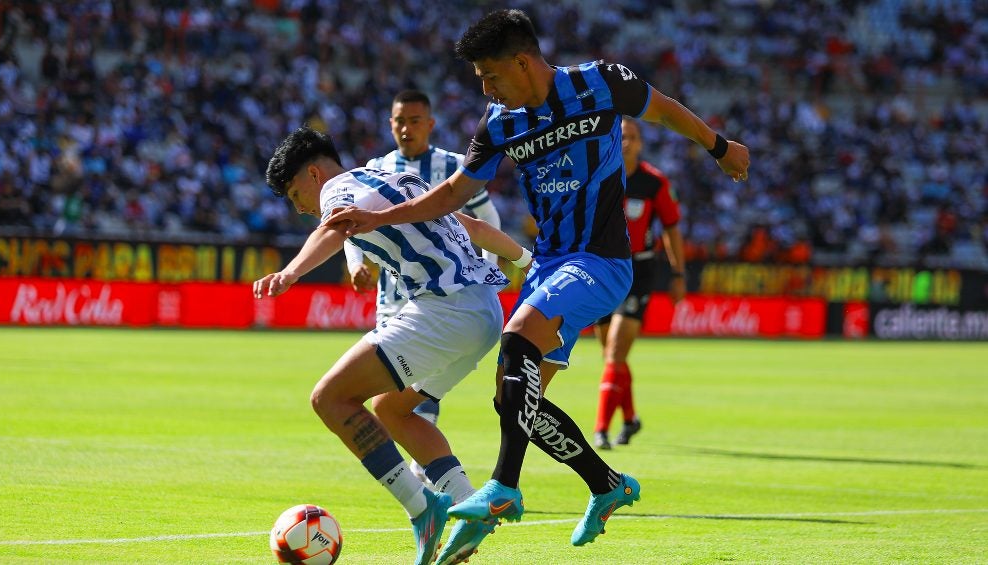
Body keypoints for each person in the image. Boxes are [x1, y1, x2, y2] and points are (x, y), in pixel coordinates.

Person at [325, 9, 750, 563]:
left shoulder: (599, 82)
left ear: (523, 62)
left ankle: (502, 489)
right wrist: (382, 219)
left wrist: (719, 147)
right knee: (515, 400)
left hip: (600, 259)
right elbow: (454, 192)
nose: (484, 87)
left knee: (519, 337)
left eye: (489, 74)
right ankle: (606, 484)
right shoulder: (500, 121)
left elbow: (662, 108)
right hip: (551, 266)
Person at [254, 126, 533, 565]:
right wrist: (528, 262)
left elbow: (333, 229)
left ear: (312, 173)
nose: (303, 209)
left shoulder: (336, 190)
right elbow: (474, 226)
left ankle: (422, 507)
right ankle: (467, 505)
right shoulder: (396, 180)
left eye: (294, 195)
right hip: (484, 312)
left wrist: (289, 274)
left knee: (330, 398)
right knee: (391, 409)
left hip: (445, 312)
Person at [344, 89, 503, 487]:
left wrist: (486, 269)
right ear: (390, 123)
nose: (405, 127)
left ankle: (426, 476)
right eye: (399, 120)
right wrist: (358, 263)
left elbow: (487, 217)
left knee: (413, 392)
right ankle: (432, 475)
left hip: (446, 297)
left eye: (414, 120)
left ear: (430, 124)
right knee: (399, 394)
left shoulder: (452, 165)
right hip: (393, 300)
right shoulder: (376, 168)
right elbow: (350, 228)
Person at [592, 116, 687, 451]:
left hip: (638, 272)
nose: (627, 142)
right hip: (602, 270)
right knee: (610, 355)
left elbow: (672, 228)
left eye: (633, 136)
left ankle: (601, 429)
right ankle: (630, 418)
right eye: (622, 136)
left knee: (615, 352)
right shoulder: (601, 175)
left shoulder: (654, 183)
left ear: (641, 143)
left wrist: (678, 274)